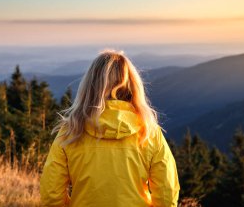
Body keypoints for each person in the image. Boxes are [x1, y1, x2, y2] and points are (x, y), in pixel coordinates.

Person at [40, 49, 180, 207]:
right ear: (132, 86)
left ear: (89, 86)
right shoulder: (148, 131)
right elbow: (166, 195)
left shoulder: (71, 130)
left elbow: (51, 195)